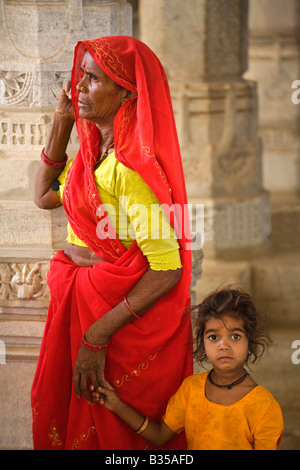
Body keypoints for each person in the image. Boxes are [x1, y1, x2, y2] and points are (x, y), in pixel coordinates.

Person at [31, 36, 193, 450]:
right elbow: (46, 196)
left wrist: (96, 337)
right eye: (81, 75)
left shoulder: (129, 168)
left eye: (93, 78)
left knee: (108, 433)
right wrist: (61, 124)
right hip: (82, 310)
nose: (79, 87)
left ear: (126, 91)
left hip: (114, 327)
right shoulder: (93, 153)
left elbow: (168, 268)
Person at [93, 288, 284, 450]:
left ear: (249, 343)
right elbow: (160, 436)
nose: (223, 345)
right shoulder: (191, 389)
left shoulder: (264, 406)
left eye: (235, 336)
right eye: (213, 337)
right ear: (202, 342)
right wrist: (117, 405)